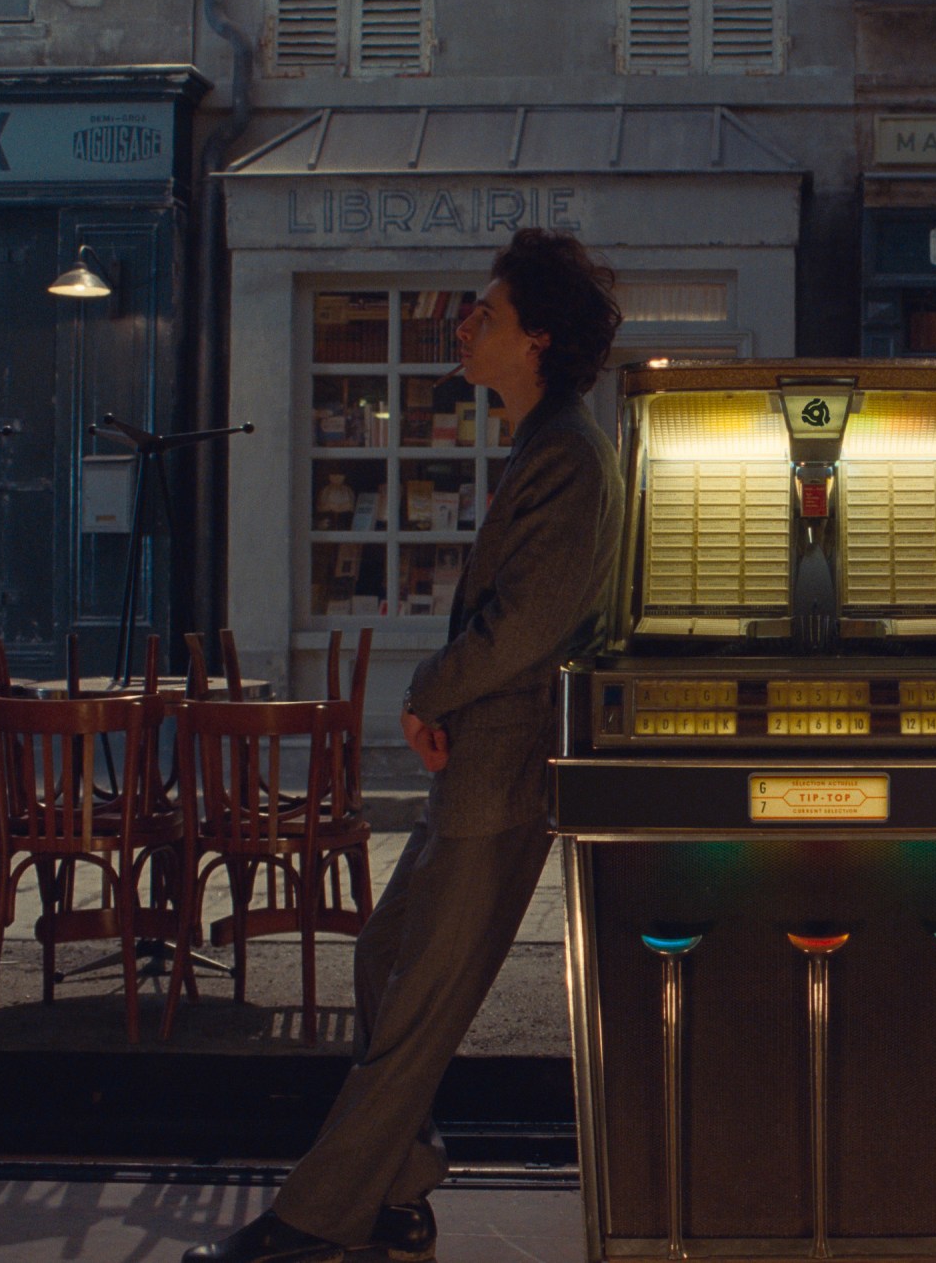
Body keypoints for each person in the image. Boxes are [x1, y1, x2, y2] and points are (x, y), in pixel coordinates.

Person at [188, 229, 625, 1263]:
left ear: (538, 337)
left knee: (422, 993)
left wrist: (427, 690)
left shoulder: (567, 452)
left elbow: (526, 623)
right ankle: (401, 1182)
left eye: (486, 312)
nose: (462, 325)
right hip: (481, 755)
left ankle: (314, 1220)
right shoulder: (541, 442)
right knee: (390, 958)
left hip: (506, 764)